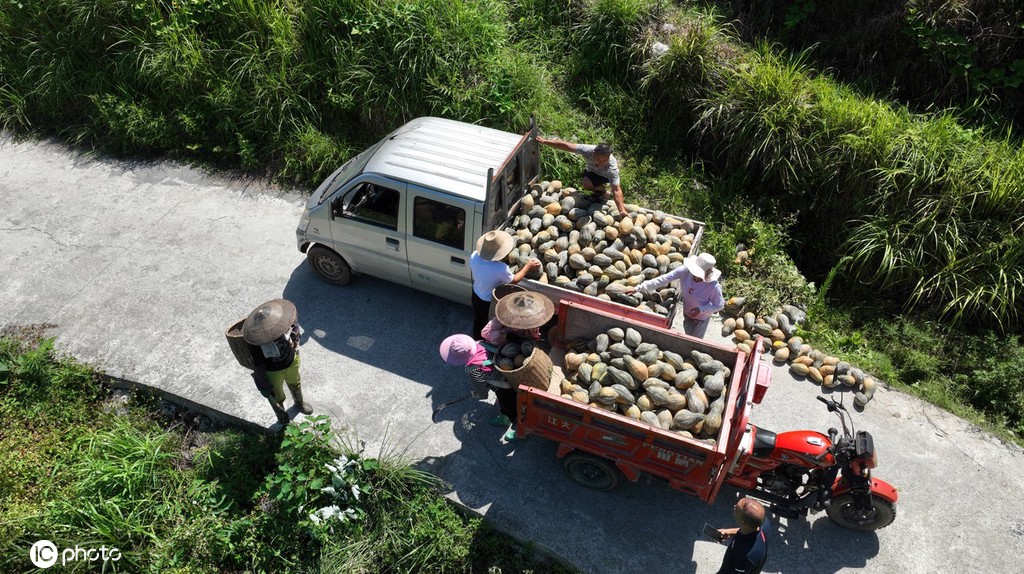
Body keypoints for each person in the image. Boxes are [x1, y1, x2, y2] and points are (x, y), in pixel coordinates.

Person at [242, 298, 313, 425]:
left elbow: (294, 321)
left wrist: (296, 335)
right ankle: (282, 416)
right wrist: (263, 382)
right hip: (273, 372)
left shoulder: (281, 322)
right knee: (277, 395)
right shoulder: (255, 341)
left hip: (291, 361)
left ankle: (299, 403)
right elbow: (258, 363)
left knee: (295, 383)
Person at [439, 334, 520, 441]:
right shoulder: (481, 344)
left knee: (511, 409)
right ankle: (505, 417)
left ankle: (519, 430)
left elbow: (482, 392)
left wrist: (477, 393)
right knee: (507, 402)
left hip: (503, 387)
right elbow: (489, 361)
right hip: (511, 374)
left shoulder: (473, 369)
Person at [626, 252, 724, 338]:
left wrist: (701, 309)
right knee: (688, 333)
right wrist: (637, 288)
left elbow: (719, 305)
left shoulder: (713, 286)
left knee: (694, 342)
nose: (695, 275)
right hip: (687, 312)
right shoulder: (685, 271)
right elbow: (663, 279)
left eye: (698, 274)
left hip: (700, 319)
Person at [470, 230, 541, 340]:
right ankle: (484, 343)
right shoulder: (501, 268)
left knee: (478, 319)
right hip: (488, 302)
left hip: (475, 294)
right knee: (488, 325)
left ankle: (475, 339)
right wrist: (527, 266)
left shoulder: (474, 255)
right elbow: (514, 280)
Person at [535, 136, 628, 216]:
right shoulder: (587, 150)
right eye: (598, 159)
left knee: (587, 183)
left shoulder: (612, 169)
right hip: (591, 171)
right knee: (586, 183)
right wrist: (545, 141)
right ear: (594, 152)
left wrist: (621, 210)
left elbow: (616, 190)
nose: (600, 162)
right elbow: (565, 145)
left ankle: (601, 192)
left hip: (604, 176)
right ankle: (602, 191)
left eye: (604, 160)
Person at [716, 497, 770, 574]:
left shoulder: (746, 556)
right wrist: (731, 532)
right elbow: (749, 528)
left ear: (743, 522)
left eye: (736, 509)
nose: (734, 507)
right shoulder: (763, 522)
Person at [482, 291, 555, 347]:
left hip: (519, 345)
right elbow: (485, 333)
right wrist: (505, 334)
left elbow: (533, 334)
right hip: (501, 345)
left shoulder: (532, 319)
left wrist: (533, 335)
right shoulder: (500, 319)